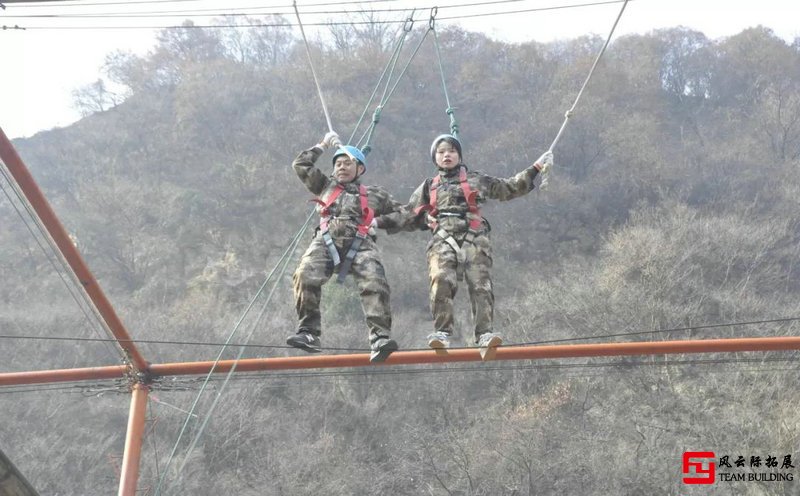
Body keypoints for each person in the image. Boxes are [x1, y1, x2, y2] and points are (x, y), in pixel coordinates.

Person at [376, 134, 553, 353]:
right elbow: (408, 214)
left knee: (481, 285)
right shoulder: (429, 187)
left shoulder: (476, 179)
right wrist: (377, 222)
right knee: (440, 280)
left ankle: (484, 334)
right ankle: (442, 332)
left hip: (474, 237)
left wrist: (535, 168)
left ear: (459, 155)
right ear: (435, 159)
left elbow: (508, 187)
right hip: (442, 239)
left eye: (451, 151)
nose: (446, 155)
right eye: (441, 152)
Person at [286, 131, 401, 363]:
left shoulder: (373, 194)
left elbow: (403, 213)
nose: (341, 167)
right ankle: (308, 331)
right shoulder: (324, 185)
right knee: (305, 274)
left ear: (360, 169)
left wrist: (379, 222)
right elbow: (300, 164)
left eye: (348, 163)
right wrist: (322, 145)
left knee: (375, 280)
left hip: (361, 239)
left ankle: (379, 336)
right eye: (338, 163)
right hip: (327, 238)